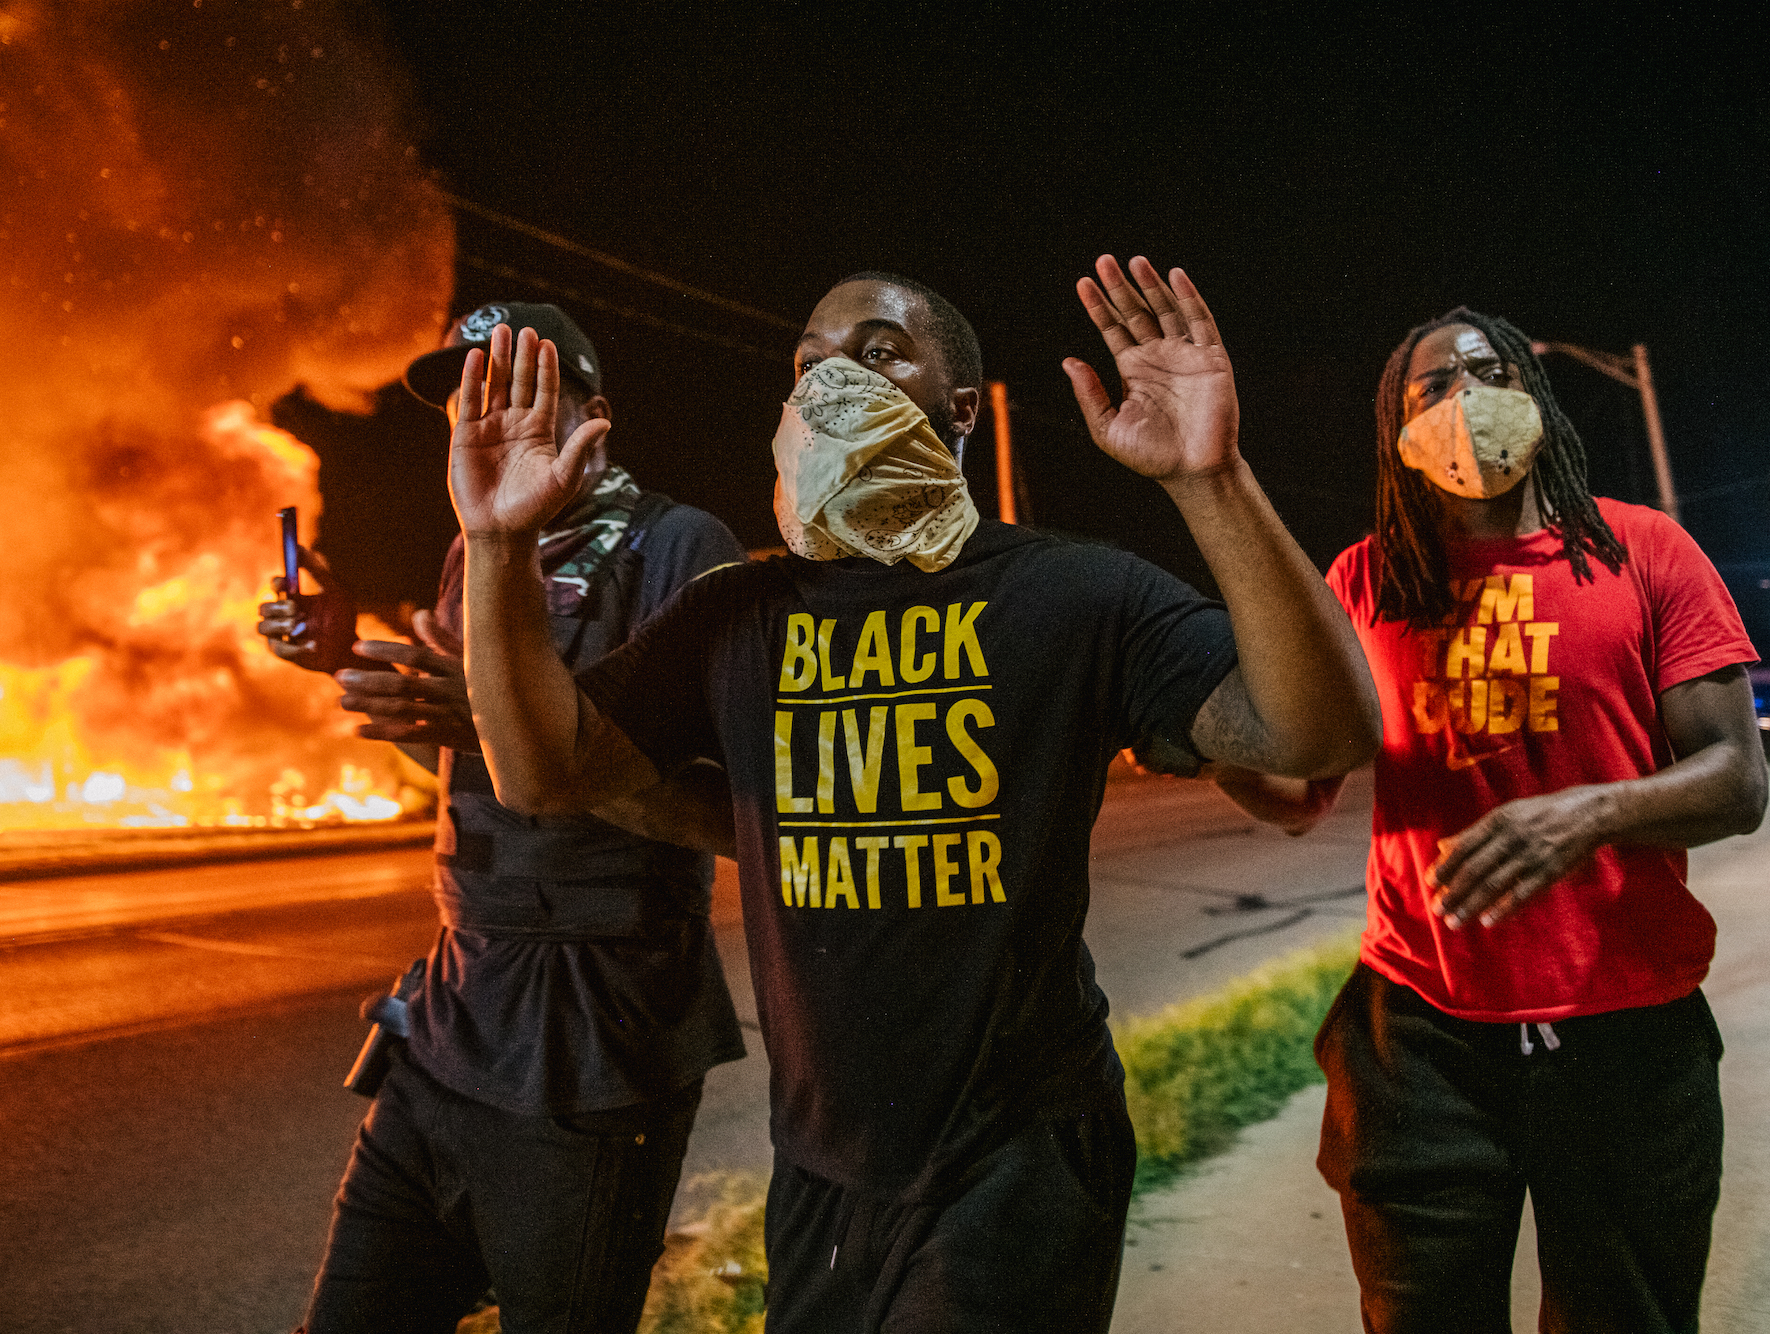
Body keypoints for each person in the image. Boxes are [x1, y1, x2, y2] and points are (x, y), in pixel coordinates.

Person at [442, 257, 1383, 1331]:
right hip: (822, 1170)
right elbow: (544, 769)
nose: (831, 376)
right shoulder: (740, 613)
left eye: (878, 352)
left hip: (1016, 1157)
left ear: (958, 408)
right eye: (808, 363)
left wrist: (1205, 478)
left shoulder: (1071, 591)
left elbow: (1317, 732)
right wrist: (497, 541)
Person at [1213, 308, 1767, 1332]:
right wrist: (1201, 728)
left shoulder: (1643, 551)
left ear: (1536, 397)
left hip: (1626, 1034)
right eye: (1427, 388)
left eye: (1487, 369)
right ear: (1394, 434)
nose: (1462, 397)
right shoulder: (1363, 580)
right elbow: (1295, 792)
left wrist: (1587, 814)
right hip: (1422, 1040)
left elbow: (1736, 780)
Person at [258, 301, 750, 1334]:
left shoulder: (679, 545)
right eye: (472, 389)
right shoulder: (473, 553)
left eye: (526, 383)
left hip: (593, 1037)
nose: (494, 407)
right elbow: (453, 763)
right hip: (449, 1020)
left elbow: (741, 814)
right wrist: (344, 655)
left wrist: (503, 734)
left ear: (595, 415)